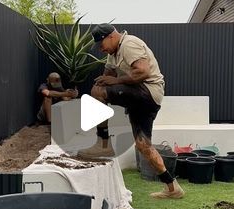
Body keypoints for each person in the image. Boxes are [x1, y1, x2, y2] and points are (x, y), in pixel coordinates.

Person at [77, 24, 184, 199]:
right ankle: (173, 188)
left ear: (111, 36)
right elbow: (107, 76)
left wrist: (112, 82)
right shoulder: (114, 53)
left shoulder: (129, 44)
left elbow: (142, 72)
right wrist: (107, 80)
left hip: (148, 92)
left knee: (97, 92)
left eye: (101, 43)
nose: (100, 48)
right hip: (142, 99)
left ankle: (103, 145)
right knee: (144, 146)